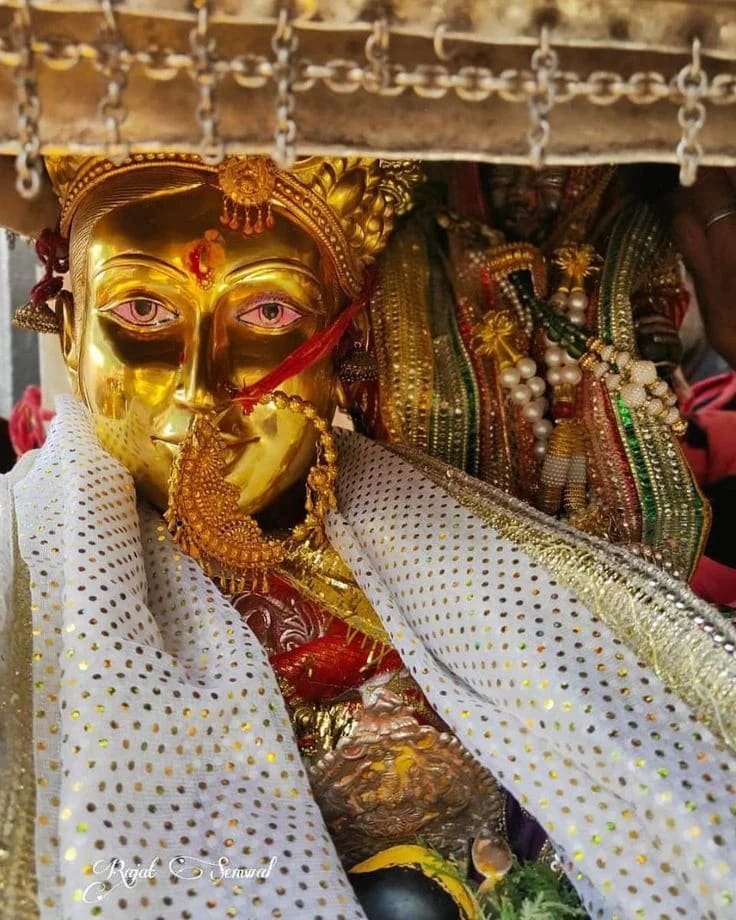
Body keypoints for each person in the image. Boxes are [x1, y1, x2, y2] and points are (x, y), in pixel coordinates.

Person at [0, 153, 734, 920]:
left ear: (342, 342)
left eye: (267, 313)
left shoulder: (469, 566)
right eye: (143, 310)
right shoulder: (24, 591)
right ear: (71, 327)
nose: (198, 384)